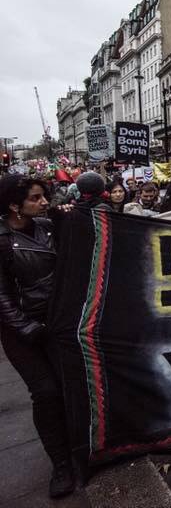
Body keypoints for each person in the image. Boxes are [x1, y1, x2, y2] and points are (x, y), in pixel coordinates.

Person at [0, 175, 75, 497]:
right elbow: (1, 295)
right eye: (35, 198)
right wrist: (26, 327)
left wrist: (67, 219)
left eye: (44, 196)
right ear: (14, 205)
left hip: (54, 322)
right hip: (23, 331)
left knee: (68, 387)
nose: (44, 202)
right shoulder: (2, 239)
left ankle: (76, 449)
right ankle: (60, 465)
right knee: (45, 393)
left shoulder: (46, 226)